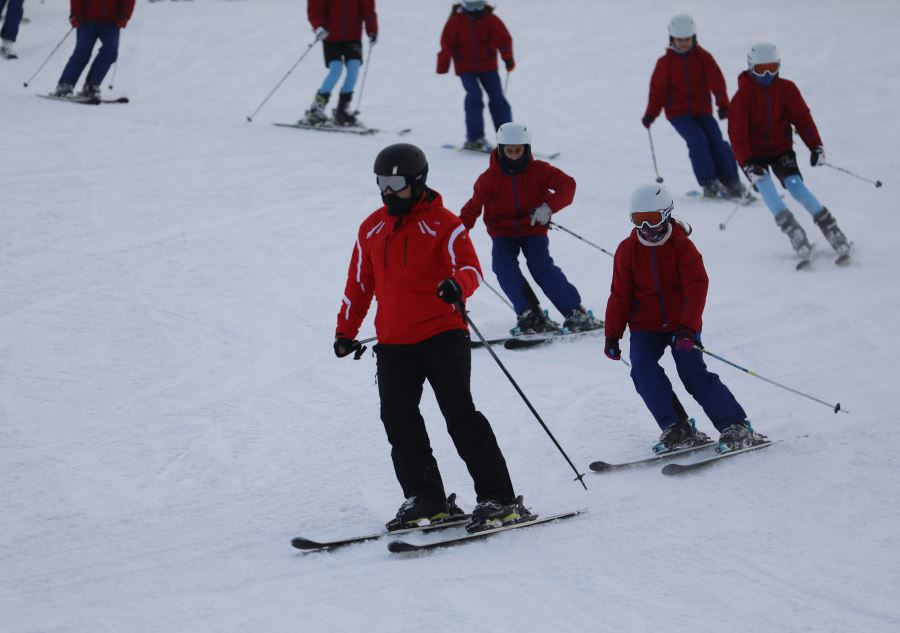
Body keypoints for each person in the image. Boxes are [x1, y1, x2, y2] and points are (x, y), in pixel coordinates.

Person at [334, 143, 529, 533]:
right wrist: (345, 331)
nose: (387, 192)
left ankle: (499, 499)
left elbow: (470, 267)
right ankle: (428, 498)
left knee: (460, 417)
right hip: (393, 344)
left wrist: (457, 285)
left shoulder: (445, 224)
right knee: (399, 419)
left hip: (443, 335)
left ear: (418, 181)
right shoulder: (371, 227)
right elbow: (359, 283)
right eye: (381, 183)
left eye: (395, 183)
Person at [604, 183, 766, 454]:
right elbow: (619, 295)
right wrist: (613, 334)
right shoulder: (627, 250)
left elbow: (697, 287)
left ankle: (735, 425)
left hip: (681, 325)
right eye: (638, 219)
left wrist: (688, 329)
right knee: (642, 370)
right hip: (645, 326)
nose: (645, 226)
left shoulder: (681, 246)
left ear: (666, 215)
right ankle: (677, 427)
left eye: (652, 219)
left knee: (692, 373)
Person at [460, 122, 602, 334]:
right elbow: (472, 209)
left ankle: (574, 312)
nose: (514, 155)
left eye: (518, 150)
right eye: (509, 150)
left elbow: (568, 185)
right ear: (500, 150)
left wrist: (549, 207)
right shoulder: (488, 180)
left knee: (540, 265)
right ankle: (530, 314)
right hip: (503, 232)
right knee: (502, 265)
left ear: (526, 149)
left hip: (533, 227)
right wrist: (456, 234)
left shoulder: (540, 171)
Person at [729, 42, 852, 261]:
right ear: (750, 68)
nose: (767, 74)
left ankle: (830, 227)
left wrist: (815, 146)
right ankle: (793, 230)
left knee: (796, 186)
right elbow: (737, 135)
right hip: (753, 155)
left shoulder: (787, 89)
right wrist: (747, 162)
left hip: (781, 149)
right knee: (766, 187)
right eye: (760, 69)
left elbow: (803, 119)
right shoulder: (742, 97)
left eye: (772, 68)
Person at [642, 14, 748, 200]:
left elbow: (717, 81)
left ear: (693, 38)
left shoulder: (703, 57)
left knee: (717, 141)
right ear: (672, 39)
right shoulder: (665, 63)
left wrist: (723, 105)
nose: (683, 43)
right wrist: (651, 114)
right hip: (678, 114)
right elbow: (657, 91)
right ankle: (710, 183)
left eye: (687, 39)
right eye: (679, 39)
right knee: (698, 141)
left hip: (702, 111)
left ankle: (732, 182)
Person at [436, 1, 514, 151]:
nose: (475, 10)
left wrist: (508, 57)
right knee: (474, 95)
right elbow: (447, 43)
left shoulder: (490, 19)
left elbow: (503, 38)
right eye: (471, 6)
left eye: (478, 5)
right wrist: (443, 65)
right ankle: (475, 138)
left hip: (488, 66)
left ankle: (509, 138)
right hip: (465, 68)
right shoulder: (456, 21)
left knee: (497, 96)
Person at [303, 0, 377, 127]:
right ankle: (316, 110)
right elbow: (315, 6)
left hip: (353, 36)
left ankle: (342, 110)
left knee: (354, 68)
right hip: (331, 36)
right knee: (336, 69)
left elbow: (368, 8)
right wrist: (318, 26)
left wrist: (372, 30)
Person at [53, 0, 135, 98]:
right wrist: (75, 14)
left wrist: (125, 15)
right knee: (82, 53)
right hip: (87, 19)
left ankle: (91, 85)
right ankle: (65, 85)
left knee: (110, 52)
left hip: (111, 21)